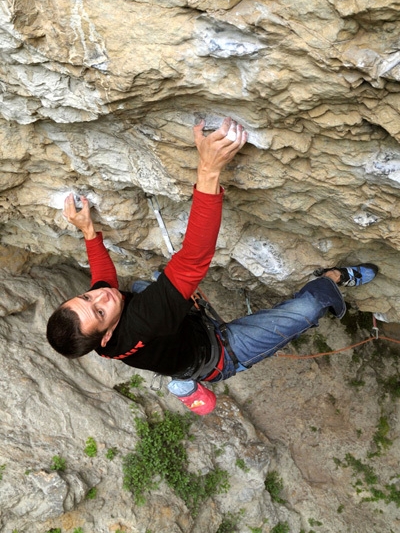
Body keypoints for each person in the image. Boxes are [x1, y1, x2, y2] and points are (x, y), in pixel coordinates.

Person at [46, 117, 378, 415]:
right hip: (218, 355)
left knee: (144, 290)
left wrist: (89, 232)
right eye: (99, 312)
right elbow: (193, 260)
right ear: (104, 339)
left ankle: (180, 379)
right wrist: (208, 170)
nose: (100, 298)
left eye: (86, 298)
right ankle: (333, 279)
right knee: (307, 309)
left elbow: (103, 283)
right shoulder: (142, 320)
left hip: (176, 335)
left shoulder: (90, 331)